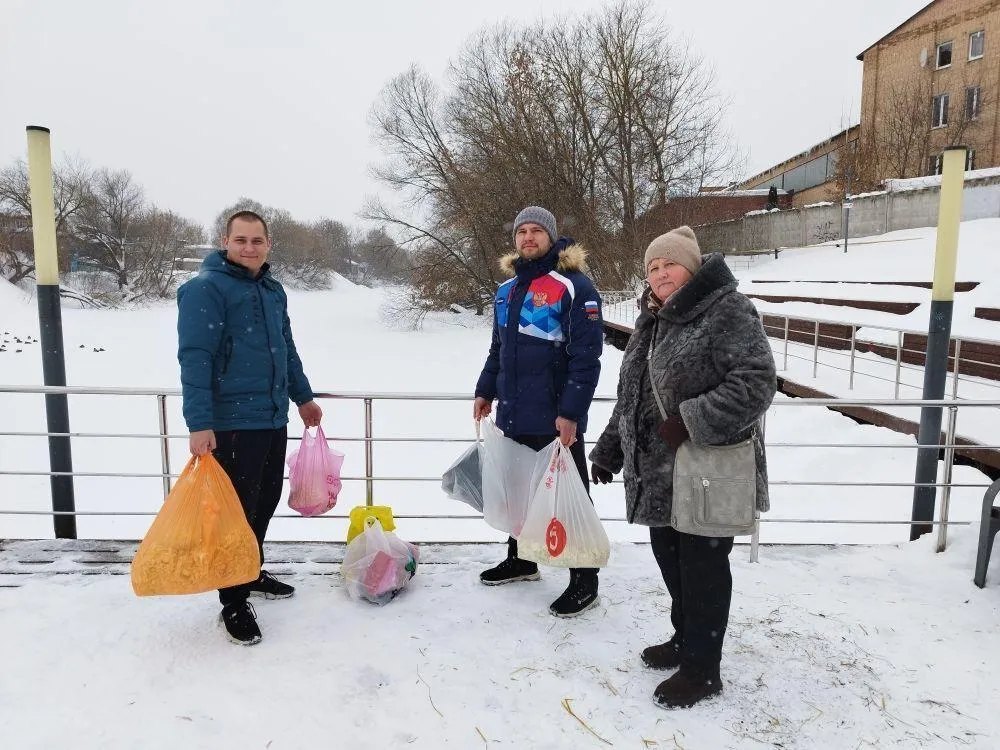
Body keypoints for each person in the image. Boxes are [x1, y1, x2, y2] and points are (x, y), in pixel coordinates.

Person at [589, 225, 776, 708]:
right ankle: (684, 637)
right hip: (658, 472)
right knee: (670, 558)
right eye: (652, 267)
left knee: (704, 568)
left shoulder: (727, 310)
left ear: (692, 268)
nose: (660, 273)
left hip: (708, 467)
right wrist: (610, 449)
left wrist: (692, 420)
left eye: (669, 263)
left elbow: (756, 383)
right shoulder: (652, 321)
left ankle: (702, 669)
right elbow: (632, 394)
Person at [177, 210, 323, 646]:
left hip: (271, 417)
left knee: (264, 502)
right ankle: (233, 601)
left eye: (257, 240)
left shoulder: (272, 290)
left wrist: (304, 397)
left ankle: (249, 570)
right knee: (235, 515)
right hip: (231, 424)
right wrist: (200, 422)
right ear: (226, 241)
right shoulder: (206, 289)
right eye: (240, 240)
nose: (249, 248)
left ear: (268, 244)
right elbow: (195, 358)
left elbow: (286, 350)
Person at [474, 206, 604, 617]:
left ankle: (585, 579)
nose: (528, 238)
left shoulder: (575, 287)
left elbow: (587, 359)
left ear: (551, 235)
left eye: (536, 231)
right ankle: (523, 559)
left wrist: (571, 412)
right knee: (518, 491)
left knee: (571, 496)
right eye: (521, 232)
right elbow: (498, 349)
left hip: (555, 418)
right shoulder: (506, 290)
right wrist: (485, 390)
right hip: (513, 411)